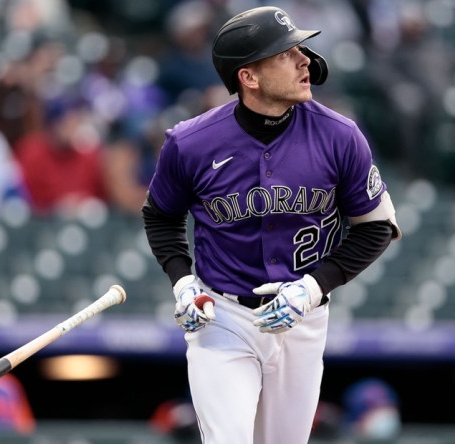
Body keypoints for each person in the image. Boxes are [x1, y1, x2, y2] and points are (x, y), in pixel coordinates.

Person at [141, 6, 401, 444]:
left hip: (303, 319)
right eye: (285, 53)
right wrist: (182, 281)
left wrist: (316, 286)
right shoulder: (190, 142)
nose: (304, 60)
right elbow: (161, 215)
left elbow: (376, 227)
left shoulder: (341, 136)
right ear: (249, 77)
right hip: (223, 317)